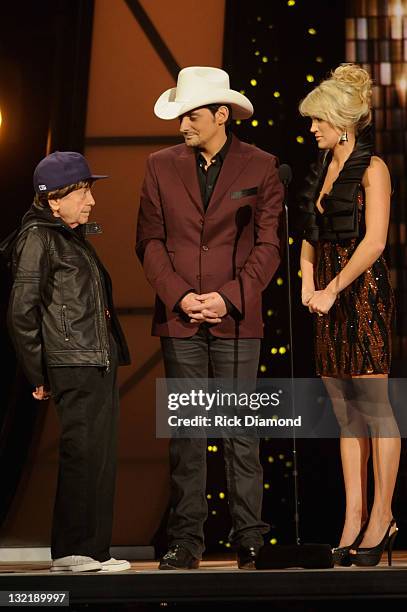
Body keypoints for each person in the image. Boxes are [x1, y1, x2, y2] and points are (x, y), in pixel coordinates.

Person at [136, 66, 284, 569]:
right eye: (180, 116)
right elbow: (149, 241)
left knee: (240, 430)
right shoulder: (160, 165)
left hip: (237, 318)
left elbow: (268, 245)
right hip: (181, 318)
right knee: (189, 433)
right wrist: (179, 295)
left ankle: (250, 537)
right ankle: (187, 539)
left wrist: (229, 297)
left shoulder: (262, 166)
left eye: (192, 116)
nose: (182, 125)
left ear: (222, 115)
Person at [6, 152, 131, 573]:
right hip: (71, 362)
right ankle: (70, 550)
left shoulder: (69, 236)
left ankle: (94, 549)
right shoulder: (38, 237)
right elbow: (22, 311)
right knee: (81, 454)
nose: (91, 199)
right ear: (54, 199)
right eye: (82, 190)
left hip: (96, 359)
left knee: (100, 455)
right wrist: (37, 371)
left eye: (89, 189)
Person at [299, 64, 400, 566]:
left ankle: (383, 516)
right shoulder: (321, 168)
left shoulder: (373, 167)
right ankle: (353, 517)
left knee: (375, 407)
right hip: (328, 294)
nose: (311, 129)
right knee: (345, 414)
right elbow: (311, 231)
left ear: (341, 121)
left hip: (362, 292)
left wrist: (333, 289)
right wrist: (306, 280)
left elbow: (375, 241)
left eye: (317, 120)